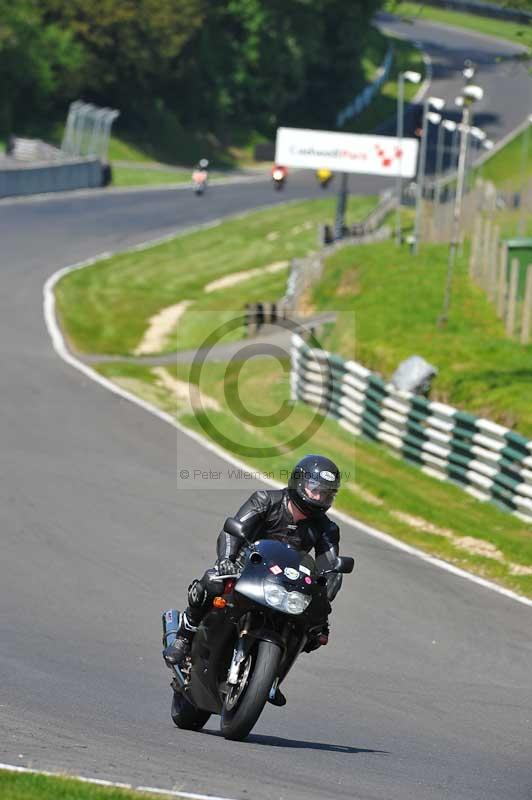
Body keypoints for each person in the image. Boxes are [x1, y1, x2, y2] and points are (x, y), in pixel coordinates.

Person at [163, 454, 343, 704]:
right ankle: (185, 636)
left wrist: (327, 589)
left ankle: (273, 675)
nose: (319, 498)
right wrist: (226, 558)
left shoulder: (327, 528)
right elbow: (233, 530)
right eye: (315, 490)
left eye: (326, 494)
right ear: (300, 482)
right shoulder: (266, 501)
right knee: (212, 581)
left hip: (286, 584)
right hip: (247, 569)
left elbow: (331, 565)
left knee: (315, 628)